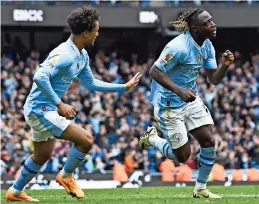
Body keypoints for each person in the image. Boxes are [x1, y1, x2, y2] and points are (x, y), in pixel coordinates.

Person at [5, 6, 141, 202]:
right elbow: (39, 77)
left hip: (44, 109)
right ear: (86, 33)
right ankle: (66, 176)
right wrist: (60, 104)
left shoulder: (81, 55)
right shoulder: (65, 53)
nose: (98, 33)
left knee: (41, 155)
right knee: (86, 139)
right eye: (96, 30)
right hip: (39, 109)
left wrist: (123, 87)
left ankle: (15, 192)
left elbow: (91, 83)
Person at [139, 8, 234, 198]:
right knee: (182, 157)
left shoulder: (207, 46)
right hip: (169, 104)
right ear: (195, 28)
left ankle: (200, 189)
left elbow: (213, 80)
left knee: (209, 141)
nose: (212, 24)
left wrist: (224, 66)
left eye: (211, 20)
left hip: (190, 99)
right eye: (207, 23)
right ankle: (153, 139)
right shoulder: (178, 47)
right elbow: (155, 72)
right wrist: (179, 91)